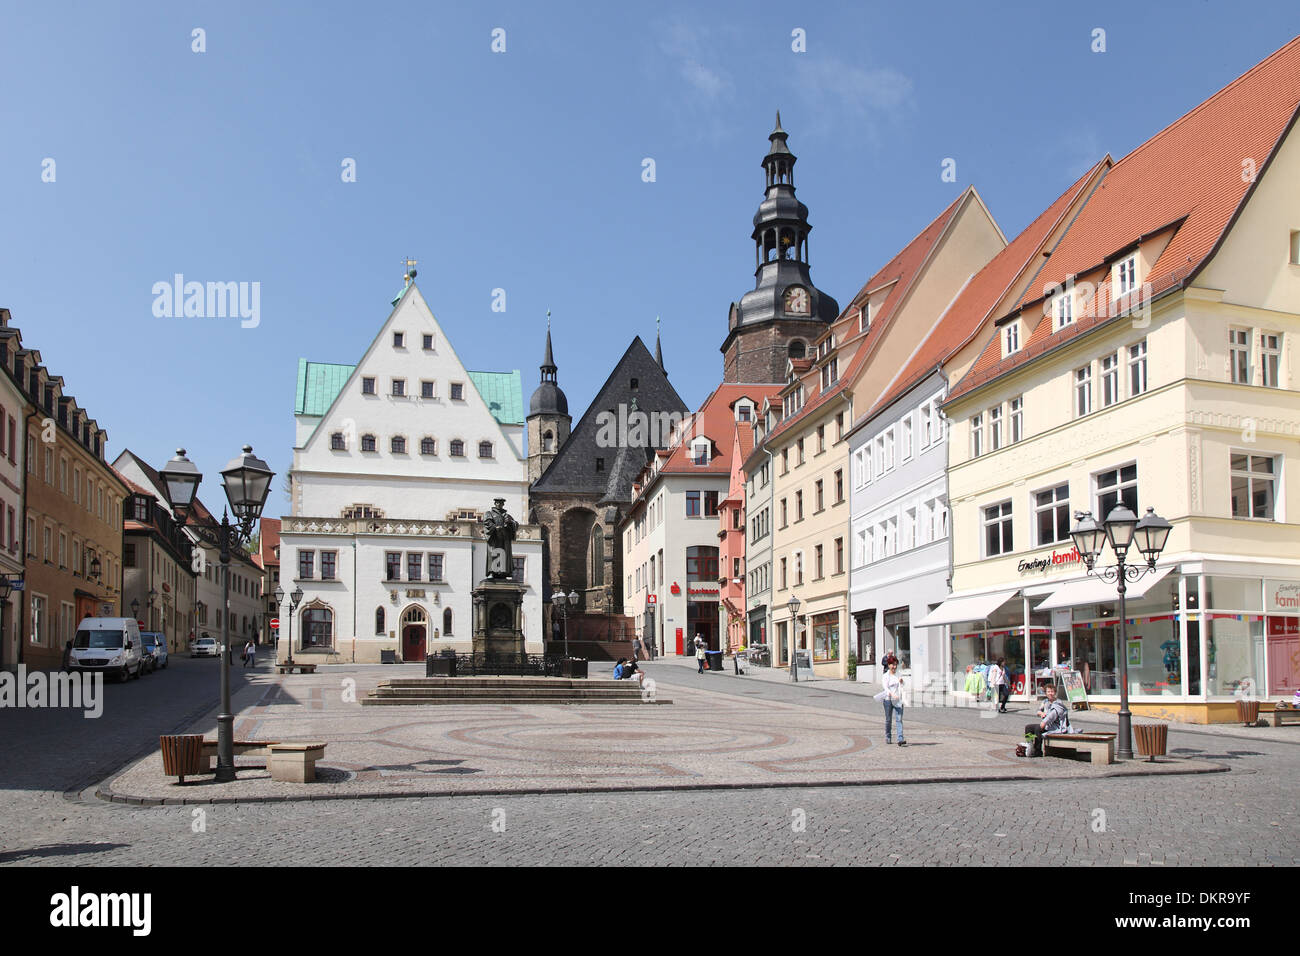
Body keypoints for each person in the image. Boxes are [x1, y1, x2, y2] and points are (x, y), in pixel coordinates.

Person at [1024, 683, 1070, 757]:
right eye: (1048, 692)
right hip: (1047, 725)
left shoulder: (1058, 703)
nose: (1050, 693)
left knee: (1038, 728)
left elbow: (1053, 715)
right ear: (1045, 693)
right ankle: (1030, 745)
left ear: (1055, 692)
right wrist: (1040, 712)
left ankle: (1038, 750)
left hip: (1056, 727)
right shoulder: (1045, 702)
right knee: (1028, 727)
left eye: (1052, 691)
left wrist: (1044, 721)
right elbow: (1038, 710)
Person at [881, 657, 907, 746]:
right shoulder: (885, 676)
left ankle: (900, 738)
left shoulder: (898, 674)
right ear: (888, 665)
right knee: (888, 720)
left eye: (896, 664)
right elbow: (885, 688)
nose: (894, 667)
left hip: (898, 700)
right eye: (893, 664)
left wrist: (902, 681)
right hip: (888, 700)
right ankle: (888, 736)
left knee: (899, 719)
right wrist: (892, 695)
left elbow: (903, 685)